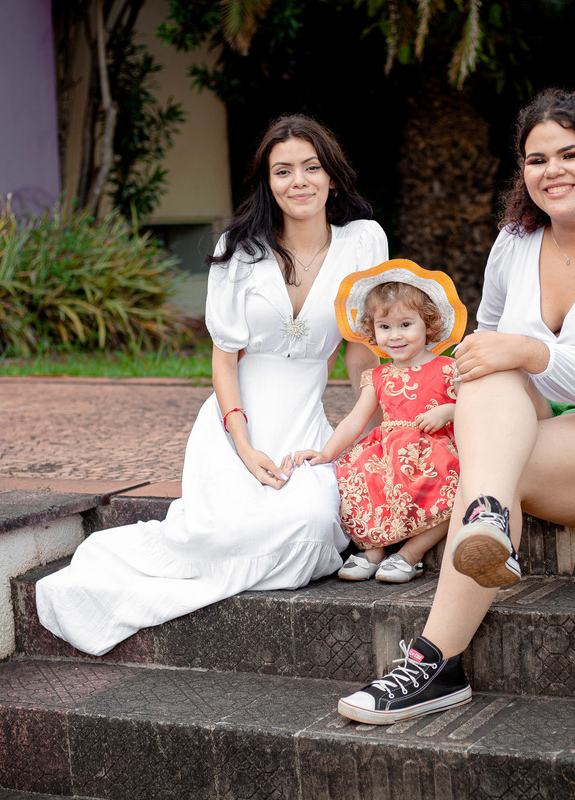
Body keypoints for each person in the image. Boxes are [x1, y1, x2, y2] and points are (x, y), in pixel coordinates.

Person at [337, 88, 575, 724]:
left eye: (570, 154)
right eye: (536, 160)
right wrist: (490, 376)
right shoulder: (514, 242)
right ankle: (489, 520)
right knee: (483, 361)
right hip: (533, 418)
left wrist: (533, 352)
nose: (552, 170)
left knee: (495, 460)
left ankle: (433, 661)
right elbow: (486, 352)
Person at [35, 114, 387, 656]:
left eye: (311, 167)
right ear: (267, 183)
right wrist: (243, 447)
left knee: (313, 525)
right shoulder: (240, 249)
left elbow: (361, 352)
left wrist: (375, 428)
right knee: (214, 535)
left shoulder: (363, 242)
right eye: (283, 171)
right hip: (236, 423)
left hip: (304, 426)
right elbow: (224, 361)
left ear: (332, 177)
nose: (299, 181)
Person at [293, 259, 467, 584]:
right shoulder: (378, 376)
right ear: (372, 330)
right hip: (389, 450)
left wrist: (448, 411)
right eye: (384, 327)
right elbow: (355, 420)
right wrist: (326, 453)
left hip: (435, 450)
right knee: (355, 474)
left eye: (406, 324)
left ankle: (409, 555)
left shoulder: (448, 368)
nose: (395, 336)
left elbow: (477, 406)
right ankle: (373, 550)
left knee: (459, 486)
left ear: (428, 324)